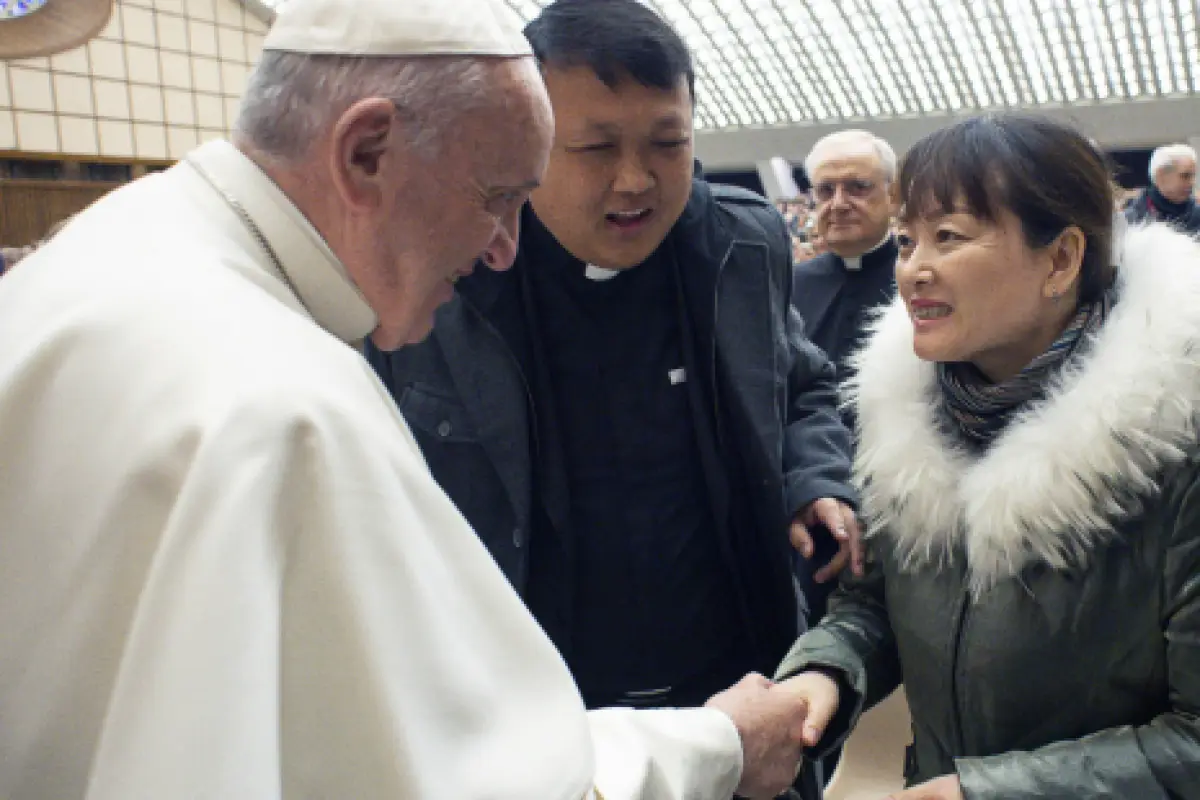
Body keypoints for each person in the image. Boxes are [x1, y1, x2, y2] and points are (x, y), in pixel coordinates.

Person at [0, 0, 821, 797]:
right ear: (365, 153)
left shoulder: (117, 250)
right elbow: (441, 773)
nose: (505, 248)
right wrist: (717, 747)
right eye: (497, 197)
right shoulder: (284, 403)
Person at [366, 0, 859, 769]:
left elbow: (802, 386)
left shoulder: (740, 244)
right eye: (595, 148)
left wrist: (814, 477)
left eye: (669, 144)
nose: (636, 181)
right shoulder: (442, 279)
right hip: (543, 706)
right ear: (525, 139)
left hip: (735, 682)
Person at [772, 114, 1200, 799]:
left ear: (1060, 258)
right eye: (908, 240)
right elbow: (875, 600)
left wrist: (987, 792)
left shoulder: (1174, 438)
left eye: (949, 237)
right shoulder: (908, 418)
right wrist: (824, 671)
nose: (913, 270)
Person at [790, 130, 898, 627]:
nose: (838, 203)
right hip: (811, 502)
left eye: (858, 187)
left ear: (892, 197)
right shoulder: (789, 284)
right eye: (825, 190)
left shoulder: (924, 277)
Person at [1125, 142, 1200, 234]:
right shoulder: (1131, 220)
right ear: (1160, 176)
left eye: (1193, 176)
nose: (1192, 182)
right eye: (1185, 176)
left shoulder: (1197, 216)